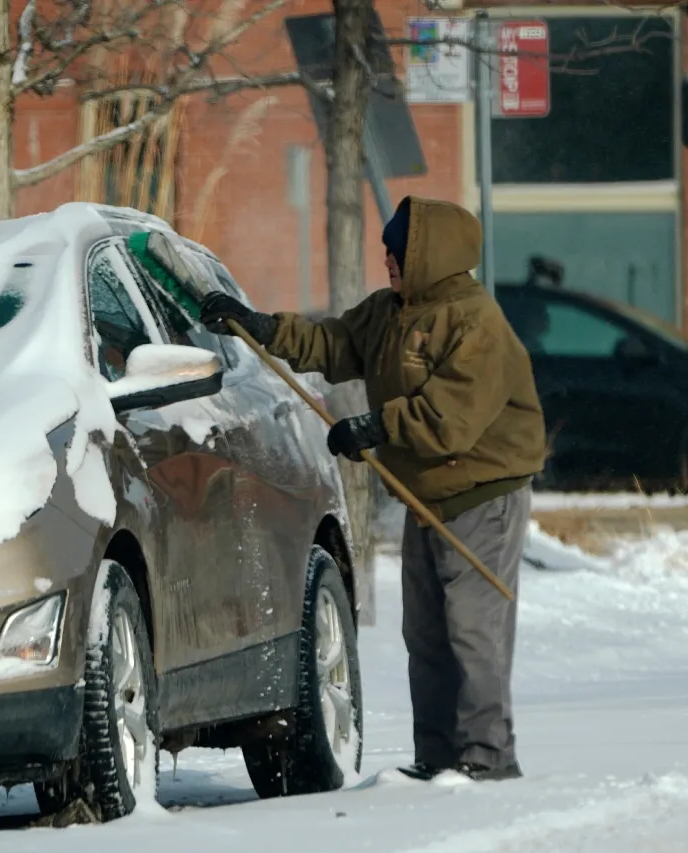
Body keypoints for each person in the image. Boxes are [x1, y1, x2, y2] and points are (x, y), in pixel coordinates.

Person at [199, 195, 547, 783]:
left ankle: (489, 758)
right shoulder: (391, 311)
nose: (386, 256)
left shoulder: (474, 322)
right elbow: (333, 344)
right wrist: (260, 328)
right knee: (427, 633)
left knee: (472, 628)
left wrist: (375, 426)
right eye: (387, 247)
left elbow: (451, 417)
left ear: (429, 254)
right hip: (425, 495)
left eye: (398, 248)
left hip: (482, 497)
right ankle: (439, 758)